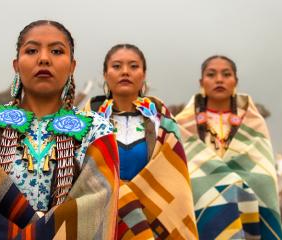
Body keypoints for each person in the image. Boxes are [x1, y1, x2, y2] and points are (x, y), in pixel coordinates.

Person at [0, 20, 119, 239]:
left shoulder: (97, 132)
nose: (44, 58)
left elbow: (95, 210)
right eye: (32, 50)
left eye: (57, 51)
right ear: (16, 64)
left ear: (72, 66)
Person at [84, 44, 198, 239]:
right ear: (105, 74)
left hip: (151, 220)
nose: (125, 72)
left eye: (134, 66)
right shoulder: (87, 121)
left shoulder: (161, 122)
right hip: (100, 221)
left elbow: (174, 179)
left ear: (143, 74)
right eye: (117, 66)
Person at [175, 55, 282, 239]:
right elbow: (179, 169)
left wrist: (234, 182)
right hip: (199, 204)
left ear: (235, 81)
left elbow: (263, 173)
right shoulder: (182, 124)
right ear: (201, 82)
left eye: (226, 74)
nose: (219, 80)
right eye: (211, 74)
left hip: (248, 204)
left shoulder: (253, 122)